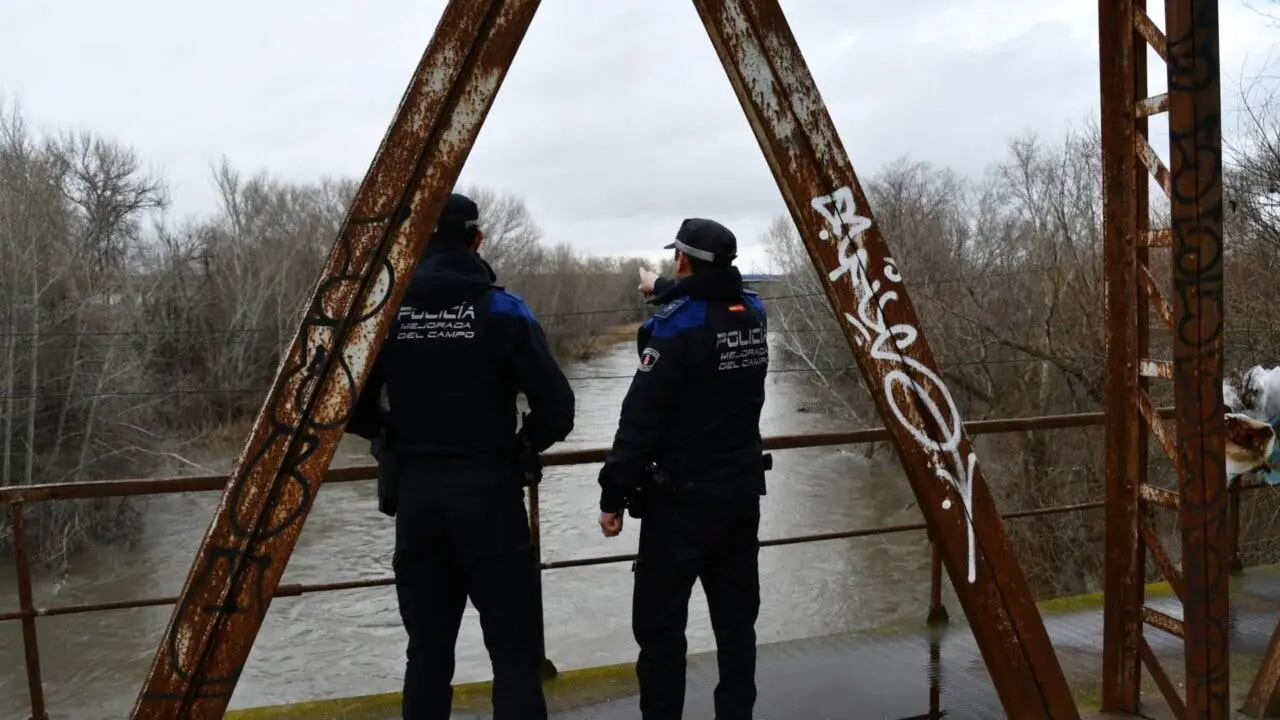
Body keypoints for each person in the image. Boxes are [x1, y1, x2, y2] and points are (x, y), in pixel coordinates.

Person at [347, 192, 575, 720]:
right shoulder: (502, 310)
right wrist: (522, 444)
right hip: (491, 494)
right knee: (515, 655)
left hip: (419, 498)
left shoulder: (386, 313)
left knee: (427, 654)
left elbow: (348, 406)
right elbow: (558, 408)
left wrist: (390, 433)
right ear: (477, 239)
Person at [597, 218, 770, 720]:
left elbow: (638, 424)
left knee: (660, 633)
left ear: (684, 260)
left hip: (679, 507)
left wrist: (612, 496)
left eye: (678, 258)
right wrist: (668, 288)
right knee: (737, 628)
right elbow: (723, 296)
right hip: (740, 497)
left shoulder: (672, 329)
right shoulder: (754, 314)